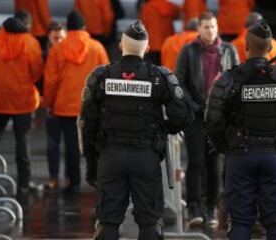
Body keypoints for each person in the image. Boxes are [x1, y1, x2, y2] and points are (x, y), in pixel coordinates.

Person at [77, 20, 193, 240]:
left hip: (111, 156)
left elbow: (87, 124)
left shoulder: (101, 76)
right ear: (148, 49)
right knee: (150, 223)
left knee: (107, 222)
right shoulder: (160, 77)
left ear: (120, 45)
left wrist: (92, 164)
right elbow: (184, 115)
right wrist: (164, 128)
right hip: (146, 156)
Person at [205, 19, 276, 240]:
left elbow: (212, 121)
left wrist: (225, 146)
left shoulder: (228, 79)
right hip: (275, 154)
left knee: (241, 221)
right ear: (270, 47)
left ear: (245, 46)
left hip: (240, 156)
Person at [175, 11, 239, 227]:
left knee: (215, 165)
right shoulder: (188, 51)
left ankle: (211, 206)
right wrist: (193, 106)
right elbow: (180, 82)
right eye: (206, 27)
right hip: (196, 116)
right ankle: (194, 206)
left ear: (217, 27)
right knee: (196, 162)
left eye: (213, 26)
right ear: (198, 29)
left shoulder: (229, 50)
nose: (210, 31)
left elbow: (236, 81)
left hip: (219, 117)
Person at [43, 11, 109, 194]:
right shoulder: (97, 48)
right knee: (95, 143)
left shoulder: (57, 49)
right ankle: (97, 180)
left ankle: (73, 181)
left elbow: (51, 81)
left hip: (65, 106)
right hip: (92, 105)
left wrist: (48, 104)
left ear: (68, 27)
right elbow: (106, 78)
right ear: (84, 27)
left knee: (72, 145)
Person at [0, 16, 44, 192]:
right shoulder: (30, 42)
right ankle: (24, 183)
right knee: (22, 140)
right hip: (23, 99)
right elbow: (37, 72)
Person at [42, 21, 67, 190]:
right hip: (55, 105)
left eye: (60, 37)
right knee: (53, 143)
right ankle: (54, 176)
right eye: (55, 37)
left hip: (63, 104)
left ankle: (67, 177)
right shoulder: (44, 55)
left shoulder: (65, 54)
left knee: (68, 144)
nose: (57, 40)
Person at [139, 0, 180, 65]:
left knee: (153, 65)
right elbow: (177, 14)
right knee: (167, 64)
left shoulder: (147, 7)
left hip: (153, 42)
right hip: (167, 41)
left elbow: (143, 23)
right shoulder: (170, 6)